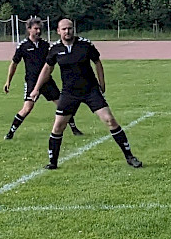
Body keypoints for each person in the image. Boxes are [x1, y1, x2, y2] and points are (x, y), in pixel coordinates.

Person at [30, 19, 142, 170]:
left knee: (110, 120)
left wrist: (102, 83)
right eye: (64, 29)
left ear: (73, 29)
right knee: (58, 127)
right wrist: (36, 88)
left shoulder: (85, 44)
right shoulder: (55, 49)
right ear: (58, 31)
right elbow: (47, 69)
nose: (67, 31)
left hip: (90, 90)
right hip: (69, 93)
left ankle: (130, 157)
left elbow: (97, 62)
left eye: (70, 28)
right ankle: (53, 162)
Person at [3, 17, 83, 140]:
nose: (38, 31)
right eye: (35, 29)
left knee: (62, 105)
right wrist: (8, 81)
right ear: (29, 29)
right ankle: (11, 132)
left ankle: (74, 128)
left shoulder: (46, 45)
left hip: (47, 81)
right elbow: (14, 64)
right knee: (27, 108)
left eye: (40, 29)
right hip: (32, 82)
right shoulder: (23, 46)